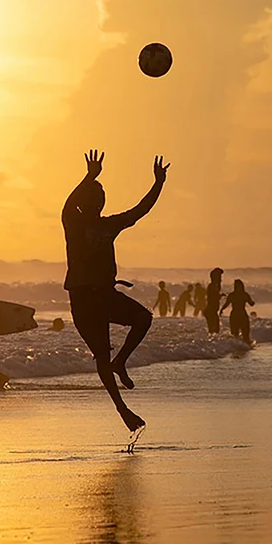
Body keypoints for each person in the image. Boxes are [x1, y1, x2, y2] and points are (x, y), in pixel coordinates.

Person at [62, 150, 169, 433]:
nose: (98, 202)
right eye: (92, 198)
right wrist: (89, 177)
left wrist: (158, 183)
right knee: (100, 356)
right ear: (84, 202)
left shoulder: (109, 224)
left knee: (144, 318)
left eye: (100, 198)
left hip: (105, 296)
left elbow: (140, 210)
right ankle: (122, 409)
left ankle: (121, 360)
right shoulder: (73, 224)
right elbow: (67, 205)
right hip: (83, 299)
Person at [221, 279, 255, 344]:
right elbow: (251, 303)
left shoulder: (232, 295)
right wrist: (253, 302)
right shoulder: (245, 294)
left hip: (234, 315)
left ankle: (237, 347)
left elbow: (226, 304)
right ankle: (245, 346)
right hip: (242, 315)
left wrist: (222, 310)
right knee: (245, 334)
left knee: (235, 334)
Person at [204, 268, 224, 334]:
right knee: (214, 331)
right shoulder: (213, 286)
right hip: (211, 311)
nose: (221, 279)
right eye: (219, 276)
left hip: (212, 311)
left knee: (214, 331)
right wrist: (219, 296)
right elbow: (212, 298)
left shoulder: (215, 286)